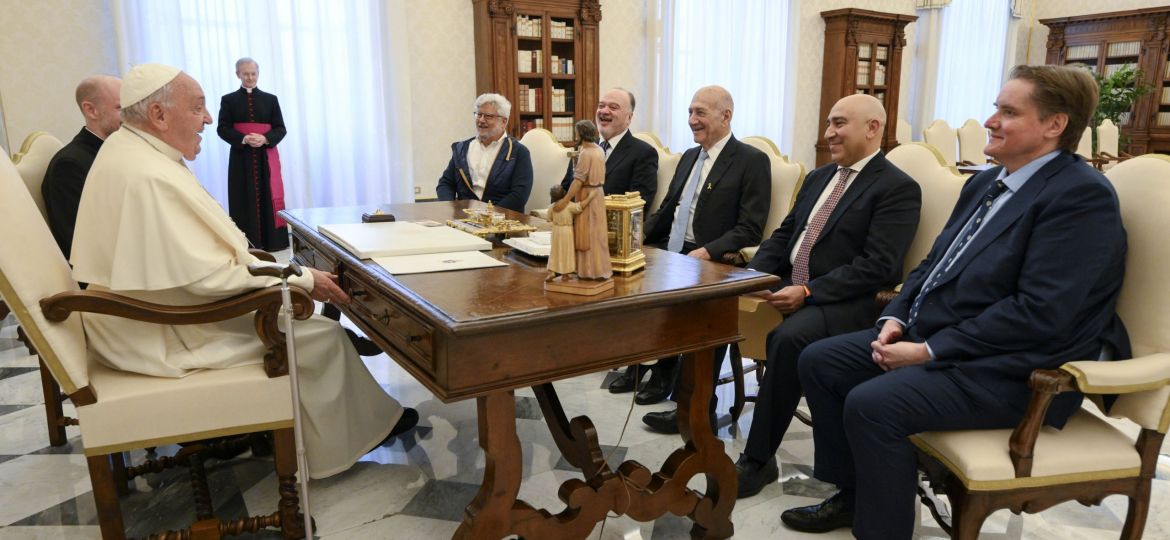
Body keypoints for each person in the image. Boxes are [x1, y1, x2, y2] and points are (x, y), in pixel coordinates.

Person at [785, 65, 1128, 538]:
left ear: (1054, 125)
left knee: (871, 404)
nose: (990, 121)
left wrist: (928, 351)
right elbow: (931, 265)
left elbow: (1039, 313)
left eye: (1008, 111)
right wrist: (895, 316)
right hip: (944, 339)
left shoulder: (1082, 198)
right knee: (820, 360)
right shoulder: (986, 183)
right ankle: (857, 494)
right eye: (995, 108)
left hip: (1014, 369)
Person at [70, 63, 417, 480]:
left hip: (154, 310)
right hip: (165, 331)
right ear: (159, 115)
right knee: (321, 336)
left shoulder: (134, 152)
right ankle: (340, 446)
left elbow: (194, 261)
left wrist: (275, 269)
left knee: (311, 328)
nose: (210, 119)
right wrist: (301, 280)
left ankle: (341, 425)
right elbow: (205, 279)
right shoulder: (146, 174)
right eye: (198, 107)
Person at [734, 94, 921, 498]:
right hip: (789, 284)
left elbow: (879, 266)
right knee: (713, 304)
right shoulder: (820, 178)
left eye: (839, 124)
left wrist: (807, 291)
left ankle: (757, 460)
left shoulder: (897, 188)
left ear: (873, 128)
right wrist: (748, 276)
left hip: (847, 301)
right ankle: (687, 413)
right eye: (828, 123)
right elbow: (784, 234)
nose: (828, 133)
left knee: (787, 339)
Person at [637, 85, 771, 415]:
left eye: (700, 113)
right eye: (689, 112)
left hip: (713, 258)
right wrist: (633, 238)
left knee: (700, 312)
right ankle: (654, 370)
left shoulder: (751, 161)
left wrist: (708, 250)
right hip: (673, 249)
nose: (691, 120)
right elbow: (668, 208)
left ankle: (693, 407)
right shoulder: (688, 157)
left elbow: (750, 227)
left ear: (726, 117)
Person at [42, 75, 122, 259]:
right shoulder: (70, 166)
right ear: (91, 110)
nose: (132, 117)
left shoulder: (119, 151)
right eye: (120, 108)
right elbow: (81, 244)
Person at [218, 57, 288, 251]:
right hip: (241, 159)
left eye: (253, 73)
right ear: (238, 74)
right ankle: (247, 243)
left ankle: (273, 242)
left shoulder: (271, 99)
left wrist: (265, 139)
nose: (250, 77)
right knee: (242, 197)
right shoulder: (228, 100)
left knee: (268, 195)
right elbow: (222, 129)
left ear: (258, 73)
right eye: (245, 73)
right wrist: (243, 138)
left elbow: (281, 129)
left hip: (266, 158)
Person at [559, 88, 658, 211]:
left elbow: (638, 205)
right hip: (570, 223)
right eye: (601, 106)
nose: (604, 111)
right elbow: (565, 188)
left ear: (629, 117)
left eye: (613, 107)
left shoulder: (644, 153)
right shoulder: (582, 146)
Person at [436, 93, 533, 213]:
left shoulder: (519, 152)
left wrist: (488, 214)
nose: (481, 120)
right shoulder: (461, 149)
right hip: (464, 219)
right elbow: (445, 184)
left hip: (502, 223)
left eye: (488, 116)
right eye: (479, 114)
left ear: (504, 122)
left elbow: (519, 195)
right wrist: (451, 208)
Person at [555, 119, 612, 280]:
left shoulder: (586, 153)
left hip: (587, 195)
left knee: (587, 236)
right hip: (598, 194)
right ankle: (600, 269)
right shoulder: (599, 149)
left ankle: (588, 271)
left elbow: (578, 180)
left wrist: (565, 200)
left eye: (577, 132)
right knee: (598, 236)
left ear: (581, 133)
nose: (576, 135)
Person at [545, 185, 580, 281]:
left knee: (555, 252)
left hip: (556, 230)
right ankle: (565, 274)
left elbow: (549, 219)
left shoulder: (552, 207)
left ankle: (552, 271)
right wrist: (590, 197)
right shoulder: (569, 205)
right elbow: (579, 207)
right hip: (566, 230)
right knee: (566, 252)